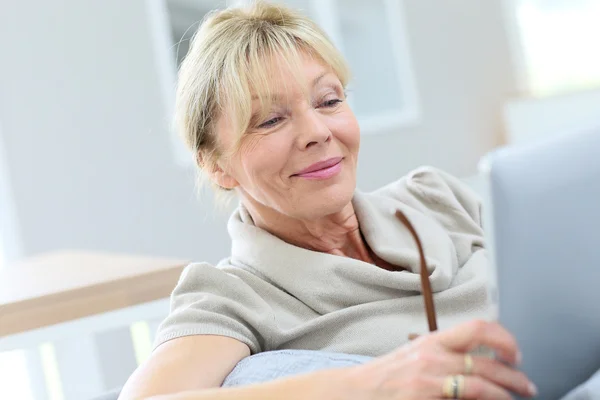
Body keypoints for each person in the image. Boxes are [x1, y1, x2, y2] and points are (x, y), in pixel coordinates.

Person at [119, 1, 536, 399]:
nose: (317, 131)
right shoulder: (232, 298)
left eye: (329, 100)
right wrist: (371, 384)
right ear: (215, 165)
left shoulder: (437, 197)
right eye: (270, 120)